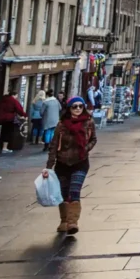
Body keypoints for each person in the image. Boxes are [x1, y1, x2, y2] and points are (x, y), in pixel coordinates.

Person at [44, 97, 97, 235]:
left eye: (80, 106)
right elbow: (53, 146)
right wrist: (49, 167)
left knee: (74, 191)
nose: (78, 109)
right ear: (69, 109)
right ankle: (64, 221)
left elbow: (93, 139)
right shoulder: (61, 125)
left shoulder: (89, 122)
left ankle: (73, 222)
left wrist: (86, 148)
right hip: (62, 163)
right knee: (63, 194)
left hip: (80, 162)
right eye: (75, 106)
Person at [0, 89, 26, 154]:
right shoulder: (13, 101)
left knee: (1, 132)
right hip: (8, 118)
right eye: (16, 96)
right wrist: (24, 115)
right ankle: (4, 148)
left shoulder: (2, 99)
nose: (17, 97)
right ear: (14, 95)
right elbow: (19, 109)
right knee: (7, 132)